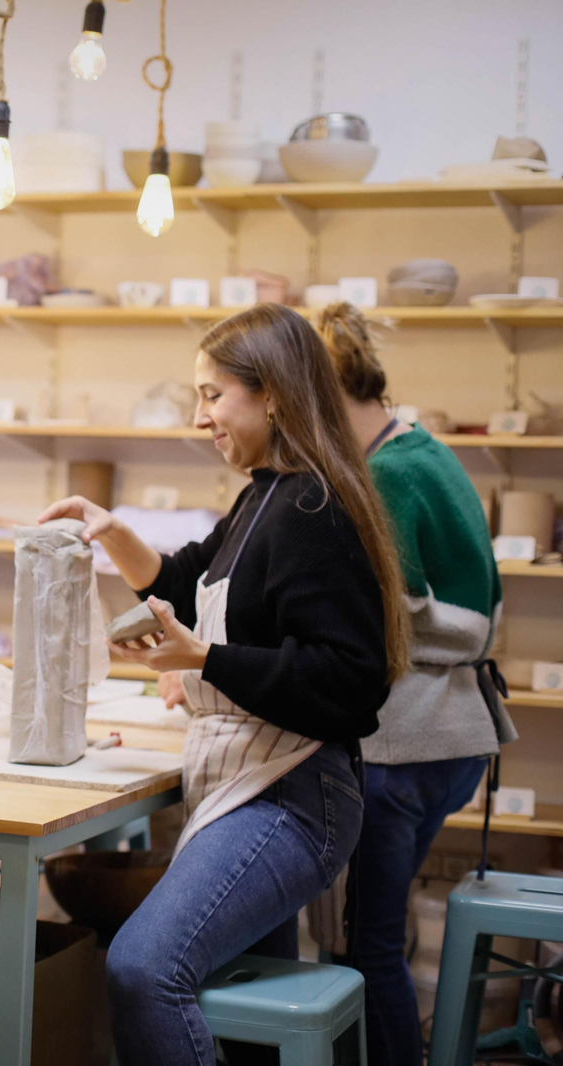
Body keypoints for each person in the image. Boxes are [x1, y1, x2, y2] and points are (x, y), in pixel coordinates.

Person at [39, 302, 410, 1066]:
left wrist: (201, 659)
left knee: (144, 970)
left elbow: (350, 684)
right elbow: (183, 578)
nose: (200, 415)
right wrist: (111, 532)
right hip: (247, 779)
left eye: (212, 395)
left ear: (270, 393)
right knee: (234, 1024)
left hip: (295, 794)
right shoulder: (265, 493)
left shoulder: (313, 506)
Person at [314, 302, 515, 1066]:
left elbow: (389, 614)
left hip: (409, 742)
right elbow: (484, 604)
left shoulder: (387, 476)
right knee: (381, 933)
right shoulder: (425, 448)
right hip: (459, 736)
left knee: (368, 946)